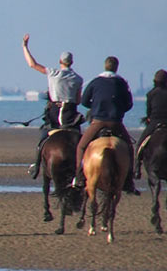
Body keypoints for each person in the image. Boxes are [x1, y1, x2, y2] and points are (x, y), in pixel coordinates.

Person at [21, 34, 84, 178]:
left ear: (60, 61)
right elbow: (78, 100)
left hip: (55, 115)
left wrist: (25, 47)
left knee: (43, 139)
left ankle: (37, 166)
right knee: (81, 143)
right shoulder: (79, 79)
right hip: (71, 115)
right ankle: (81, 170)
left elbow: (32, 64)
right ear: (72, 62)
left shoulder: (53, 73)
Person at [76, 56, 136, 194]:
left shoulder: (95, 82)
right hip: (116, 122)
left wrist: (95, 106)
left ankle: (79, 177)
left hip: (98, 122)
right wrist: (119, 109)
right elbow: (129, 104)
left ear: (105, 66)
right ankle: (129, 180)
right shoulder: (121, 83)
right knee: (129, 147)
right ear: (116, 67)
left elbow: (84, 101)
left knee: (81, 146)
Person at [134, 69, 167, 176]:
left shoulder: (151, 94)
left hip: (155, 122)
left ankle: (137, 167)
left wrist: (149, 118)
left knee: (140, 144)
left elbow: (149, 112)